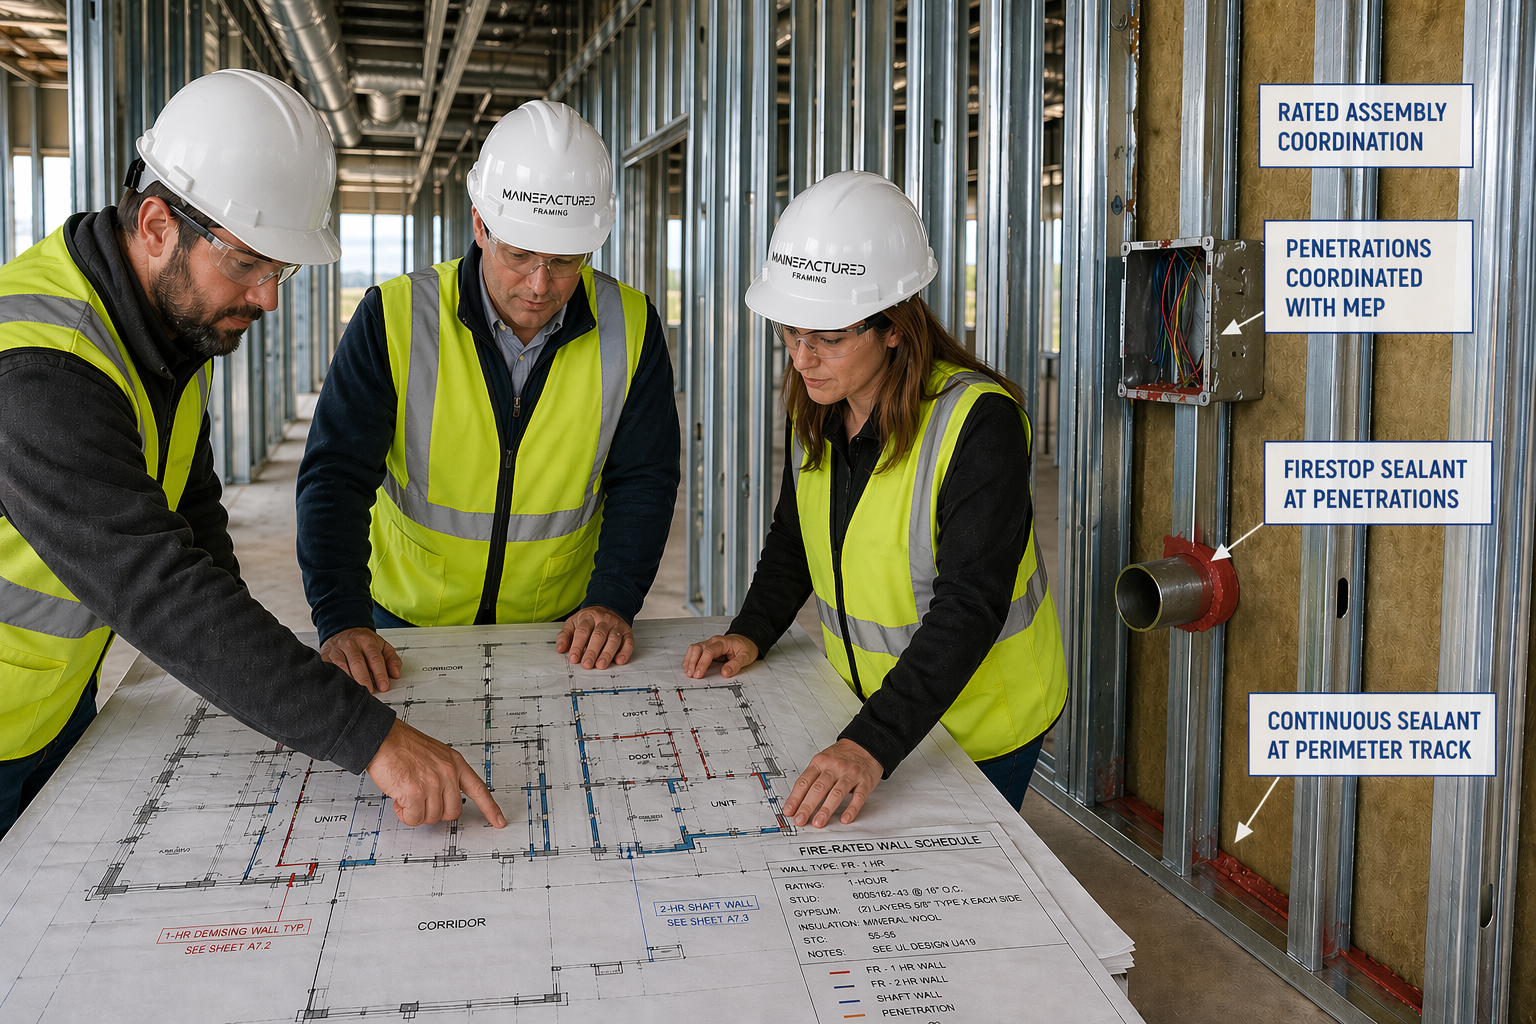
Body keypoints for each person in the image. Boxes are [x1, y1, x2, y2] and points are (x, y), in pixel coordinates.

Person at [0, 70, 504, 839]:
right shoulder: (47, 371)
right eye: (246, 262)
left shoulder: (159, 330)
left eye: (280, 270)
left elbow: (193, 524)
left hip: (48, 708)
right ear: (159, 224)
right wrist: (370, 738)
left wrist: (276, 681)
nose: (268, 298)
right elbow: (157, 589)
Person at [683, 170, 1068, 828]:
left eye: (827, 338)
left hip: (981, 724)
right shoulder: (818, 400)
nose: (802, 360)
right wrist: (752, 630)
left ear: (894, 327)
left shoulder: (979, 424)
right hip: (871, 712)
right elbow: (794, 538)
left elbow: (970, 606)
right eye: (789, 333)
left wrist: (869, 744)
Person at [296, 100, 678, 690]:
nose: (539, 284)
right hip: (402, 623)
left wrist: (614, 599)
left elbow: (645, 477)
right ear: (480, 224)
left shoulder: (630, 325)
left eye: (564, 261)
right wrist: (339, 616)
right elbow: (335, 476)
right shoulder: (395, 317)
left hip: (560, 631)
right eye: (519, 254)